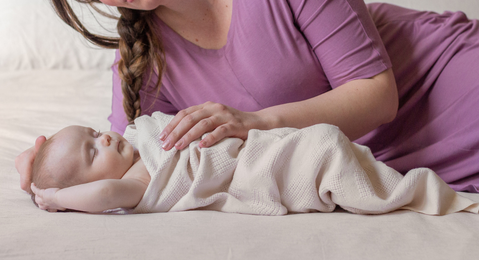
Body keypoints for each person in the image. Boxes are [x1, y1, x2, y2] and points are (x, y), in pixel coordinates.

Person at [16, 0, 479, 194]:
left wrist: (255, 123)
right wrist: (47, 175)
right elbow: (129, 157)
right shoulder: (142, 53)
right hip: (365, 163)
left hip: (439, 88)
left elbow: (378, 97)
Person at [28, 112, 479, 216]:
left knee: (325, 143)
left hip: (265, 146)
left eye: (91, 133)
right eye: (92, 153)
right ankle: (414, 192)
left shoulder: (141, 139)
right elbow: (104, 195)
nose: (103, 138)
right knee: (325, 152)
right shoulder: (136, 183)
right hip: (270, 168)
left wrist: (45, 163)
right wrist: (55, 197)